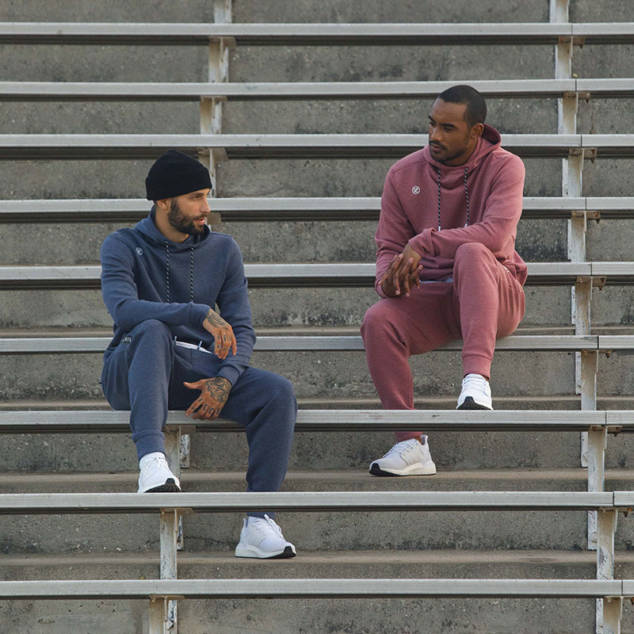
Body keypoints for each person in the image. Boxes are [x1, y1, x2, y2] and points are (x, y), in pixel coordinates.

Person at [100, 150, 297, 558]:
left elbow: (242, 328)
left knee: (277, 393)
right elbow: (123, 310)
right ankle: (152, 461)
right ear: (163, 201)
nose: (206, 208)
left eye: (206, 195)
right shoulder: (122, 244)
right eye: (195, 197)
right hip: (133, 367)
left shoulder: (223, 250)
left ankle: (259, 521)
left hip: (192, 370)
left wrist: (225, 379)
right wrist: (195, 313)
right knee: (152, 328)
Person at [361, 85, 526, 477]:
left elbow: (496, 236)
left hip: (494, 293)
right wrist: (388, 280)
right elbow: (388, 247)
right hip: (434, 297)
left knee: (472, 252)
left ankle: (476, 380)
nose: (435, 135)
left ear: (476, 131)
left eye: (448, 128)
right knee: (377, 319)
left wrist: (424, 242)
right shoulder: (403, 174)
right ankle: (410, 442)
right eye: (432, 124)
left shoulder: (506, 166)